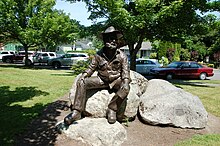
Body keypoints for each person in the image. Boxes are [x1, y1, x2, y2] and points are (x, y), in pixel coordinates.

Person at [64, 26, 131, 125]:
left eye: (115, 39)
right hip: (101, 80)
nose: (114, 41)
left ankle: (112, 109)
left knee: (125, 88)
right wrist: (84, 75)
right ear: (105, 41)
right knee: (82, 82)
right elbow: (91, 67)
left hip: (116, 80)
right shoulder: (98, 55)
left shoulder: (122, 56)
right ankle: (77, 112)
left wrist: (125, 82)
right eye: (111, 38)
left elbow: (125, 72)